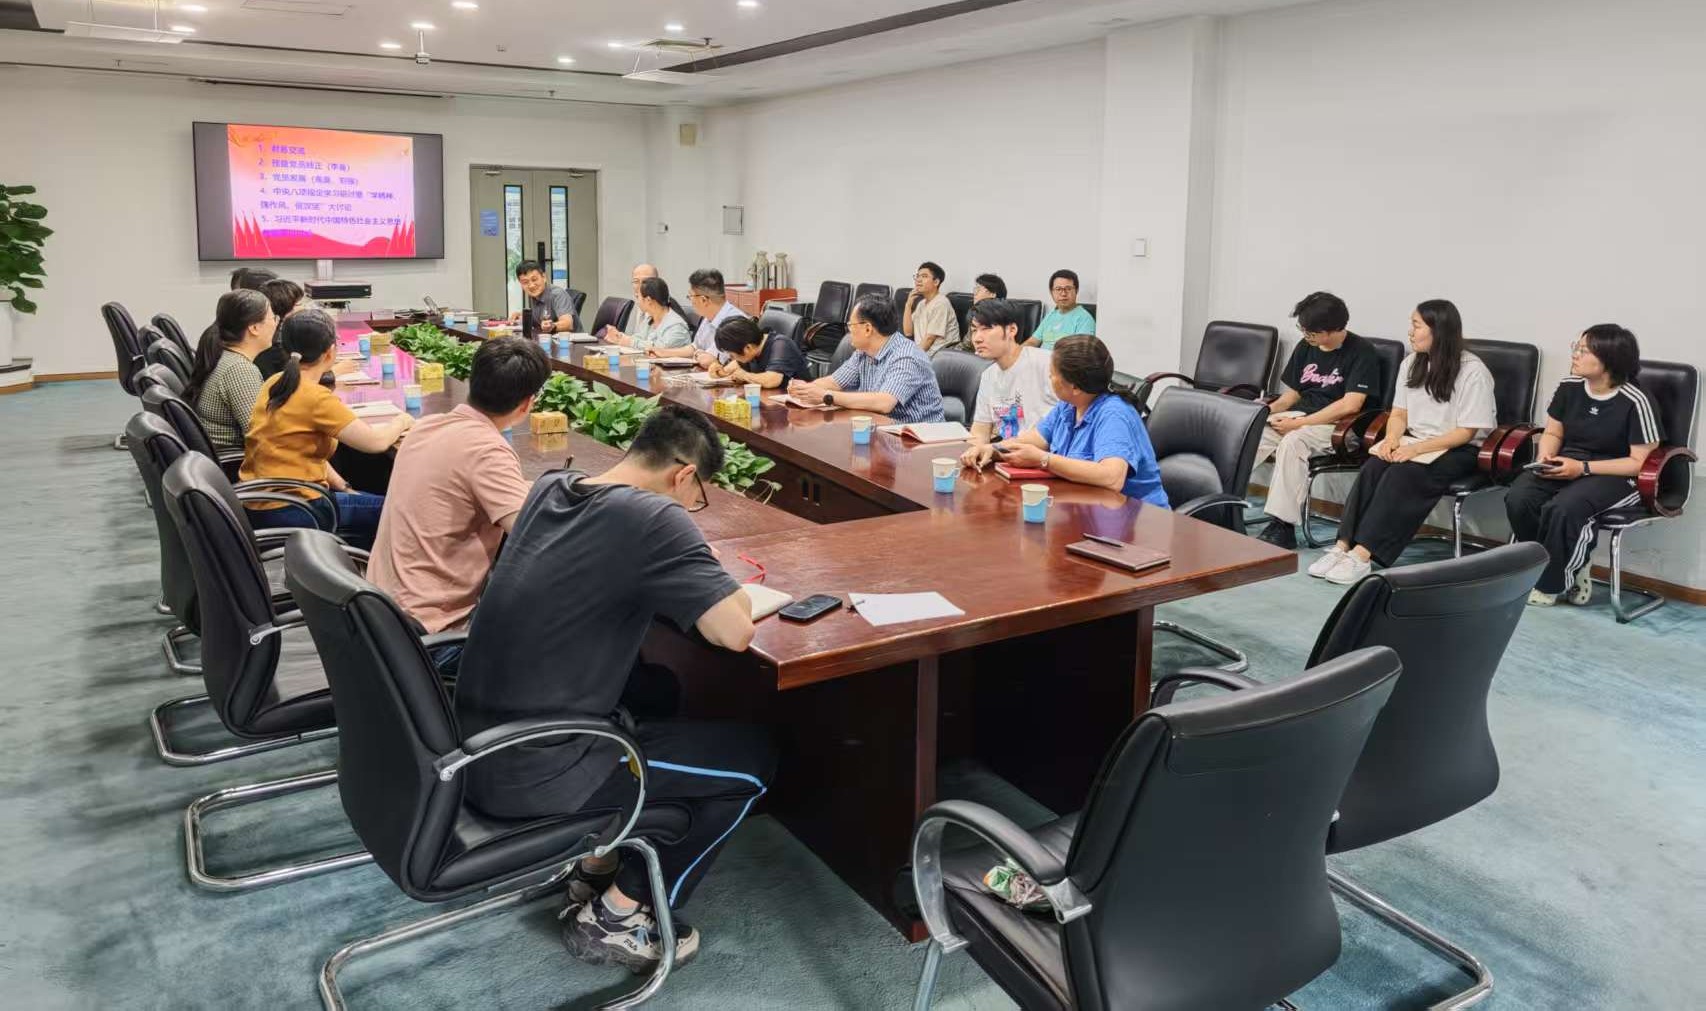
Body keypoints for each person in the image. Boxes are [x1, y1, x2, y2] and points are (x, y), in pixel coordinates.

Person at [455, 405, 773, 973]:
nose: (692, 507)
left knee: (659, 689)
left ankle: (596, 865)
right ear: (683, 475)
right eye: (697, 496)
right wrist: (713, 573)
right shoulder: (655, 516)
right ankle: (621, 916)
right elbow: (734, 630)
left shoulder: (552, 488)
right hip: (540, 770)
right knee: (752, 761)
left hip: (479, 744)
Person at [367, 337, 549, 650]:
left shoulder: (425, 426)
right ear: (527, 404)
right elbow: (535, 534)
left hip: (381, 613)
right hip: (429, 636)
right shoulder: (487, 449)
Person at [1311, 300, 1497, 584]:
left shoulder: (1473, 371)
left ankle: (1363, 555)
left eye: (1416, 325)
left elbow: (1465, 433)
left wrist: (1414, 449)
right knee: (1373, 467)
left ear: (1438, 330)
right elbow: (1398, 414)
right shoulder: (1411, 363)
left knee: (1403, 474)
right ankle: (1342, 546)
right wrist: (1392, 439)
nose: (1410, 332)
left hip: (1459, 449)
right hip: (1415, 441)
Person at [1506, 325, 1660, 606]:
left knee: (1564, 509)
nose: (1575, 355)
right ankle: (1560, 562)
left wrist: (1583, 468)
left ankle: (1551, 585)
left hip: (1616, 475)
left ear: (1609, 360)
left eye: (1584, 350)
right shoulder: (1570, 386)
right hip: (1568, 462)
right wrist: (1545, 456)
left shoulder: (1636, 401)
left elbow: (1639, 463)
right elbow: (1553, 433)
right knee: (1519, 498)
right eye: (1576, 347)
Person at [240, 309, 413, 549]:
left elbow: (303, 451)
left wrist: (344, 487)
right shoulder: (315, 397)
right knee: (403, 512)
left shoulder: (276, 382)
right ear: (331, 351)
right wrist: (403, 420)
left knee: (373, 499)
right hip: (298, 509)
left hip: (264, 503)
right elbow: (375, 443)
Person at [963, 335, 1168, 506]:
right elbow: (1034, 439)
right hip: (1085, 509)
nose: (1049, 378)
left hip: (1136, 522)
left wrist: (1044, 460)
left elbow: (1112, 477)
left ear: (1075, 386)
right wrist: (994, 449)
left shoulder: (1114, 414)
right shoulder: (1069, 406)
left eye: (1052, 375)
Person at [1253, 291, 1384, 548]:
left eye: (1311, 332)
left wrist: (1300, 424)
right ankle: (1221, 503)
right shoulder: (1306, 347)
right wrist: (1264, 412)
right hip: (1300, 417)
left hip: (1340, 427)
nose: (1306, 336)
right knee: (1249, 434)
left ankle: (1282, 525)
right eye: (1303, 330)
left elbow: (1351, 404)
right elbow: (1292, 395)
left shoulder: (1362, 352)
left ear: (1331, 331)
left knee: (1294, 442)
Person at [786, 293, 946, 423]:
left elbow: (884, 403)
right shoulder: (863, 352)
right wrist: (805, 390)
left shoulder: (907, 356)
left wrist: (826, 396)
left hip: (918, 439)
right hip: (882, 430)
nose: (849, 331)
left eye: (851, 325)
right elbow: (835, 382)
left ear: (868, 329)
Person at [185, 289, 275, 454]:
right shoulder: (239, 370)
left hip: (222, 457)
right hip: (235, 462)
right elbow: (262, 437)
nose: (276, 324)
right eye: (273, 318)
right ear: (254, 328)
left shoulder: (224, 355)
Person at [960, 298, 1058, 445]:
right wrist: (972, 452)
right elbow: (980, 431)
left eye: (986, 329)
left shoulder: (1046, 363)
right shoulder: (988, 375)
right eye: (974, 330)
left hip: (1046, 453)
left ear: (1012, 330)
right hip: (1007, 453)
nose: (977, 338)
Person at [651, 268, 745, 365]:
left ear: (703, 300)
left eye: (690, 296)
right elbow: (694, 347)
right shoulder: (707, 317)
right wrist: (663, 352)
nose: (690, 301)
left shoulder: (735, 323)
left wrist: (700, 355)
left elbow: (708, 359)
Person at [709, 316, 807, 389]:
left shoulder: (781, 344)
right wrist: (719, 372)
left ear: (748, 348)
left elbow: (772, 380)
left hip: (800, 405)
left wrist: (744, 375)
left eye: (732, 355)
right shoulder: (751, 350)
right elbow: (732, 368)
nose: (731, 358)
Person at [606, 276, 691, 351]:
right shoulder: (650, 319)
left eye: (638, 297)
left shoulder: (676, 326)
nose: (637, 301)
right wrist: (619, 337)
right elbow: (638, 337)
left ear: (648, 300)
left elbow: (660, 349)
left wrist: (630, 342)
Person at [902, 261, 964, 358]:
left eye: (924, 276)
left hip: (941, 358)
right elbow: (908, 332)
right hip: (925, 354)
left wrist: (911, 358)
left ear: (936, 282)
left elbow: (929, 340)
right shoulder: (921, 304)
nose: (918, 280)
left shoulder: (941, 303)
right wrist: (908, 305)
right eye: (917, 276)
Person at [1028, 269, 1096, 349]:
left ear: (1076, 291)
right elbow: (1032, 341)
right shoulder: (1050, 315)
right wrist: (1017, 353)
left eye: (1068, 289)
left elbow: (1080, 353)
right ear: (1051, 292)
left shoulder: (1085, 319)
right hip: (1040, 356)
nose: (1063, 293)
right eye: (1058, 289)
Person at [507, 259, 579, 333]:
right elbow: (539, 320)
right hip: (547, 338)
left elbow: (568, 324)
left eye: (534, 279)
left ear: (544, 277)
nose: (531, 286)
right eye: (525, 282)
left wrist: (552, 326)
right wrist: (521, 316)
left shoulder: (557, 294)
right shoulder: (534, 295)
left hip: (571, 339)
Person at [255, 277, 306, 378]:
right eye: (299, 304)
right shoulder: (278, 345)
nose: (304, 307)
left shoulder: (270, 333)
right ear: (289, 308)